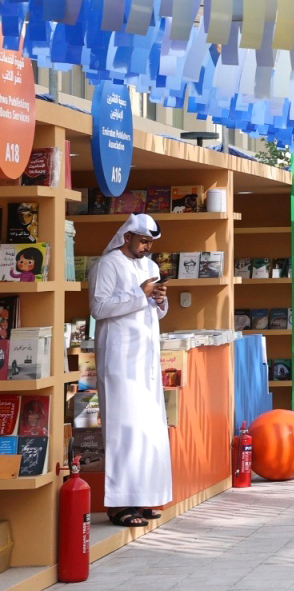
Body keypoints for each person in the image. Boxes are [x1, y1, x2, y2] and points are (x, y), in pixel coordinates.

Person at [88, 214, 171, 527]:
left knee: (147, 430)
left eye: (151, 242)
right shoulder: (107, 265)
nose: (147, 247)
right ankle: (120, 505)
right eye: (143, 241)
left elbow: (153, 312)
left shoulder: (150, 267)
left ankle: (142, 497)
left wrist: (160, 300)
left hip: (146, 360)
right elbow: (99, 308)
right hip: (119, 360)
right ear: (127, 236)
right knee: (124, 431)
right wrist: (141, 294)